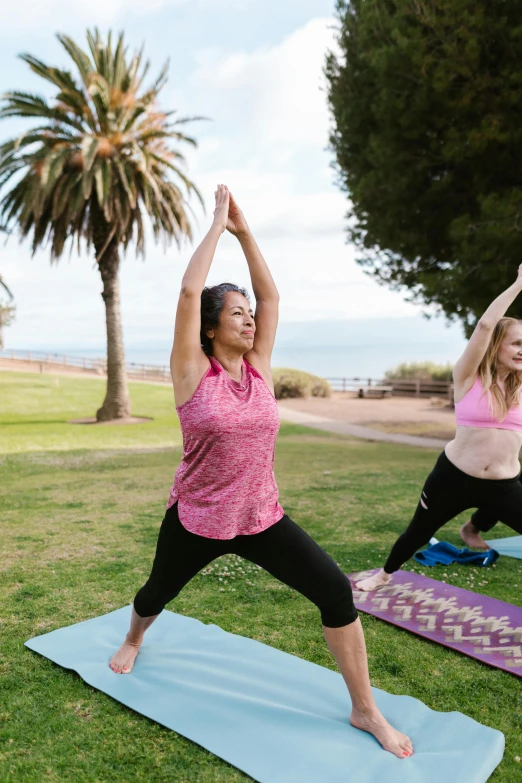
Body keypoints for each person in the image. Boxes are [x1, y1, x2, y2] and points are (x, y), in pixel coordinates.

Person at [109, 185, 413, 759]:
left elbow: (273, 299)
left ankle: (365, 708)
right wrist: (217, 224)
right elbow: (188, 290)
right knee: (154, 594)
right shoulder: (190, 372)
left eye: (250, 315)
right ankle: (133, 637)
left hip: (261, 516)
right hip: (197, 518)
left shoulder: (259, 369)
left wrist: (247, 234)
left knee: (333, 592)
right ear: (209, 328)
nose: (249, 321)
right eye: (236, 314)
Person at [357, 269, 522, 592]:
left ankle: (471, 530)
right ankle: (384, 575)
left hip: (503, 485)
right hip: (454, 478)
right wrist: (518, 286)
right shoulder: (467, 377)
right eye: (516, 343)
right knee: (418, 532)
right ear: (496, 345)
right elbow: (485, 325)